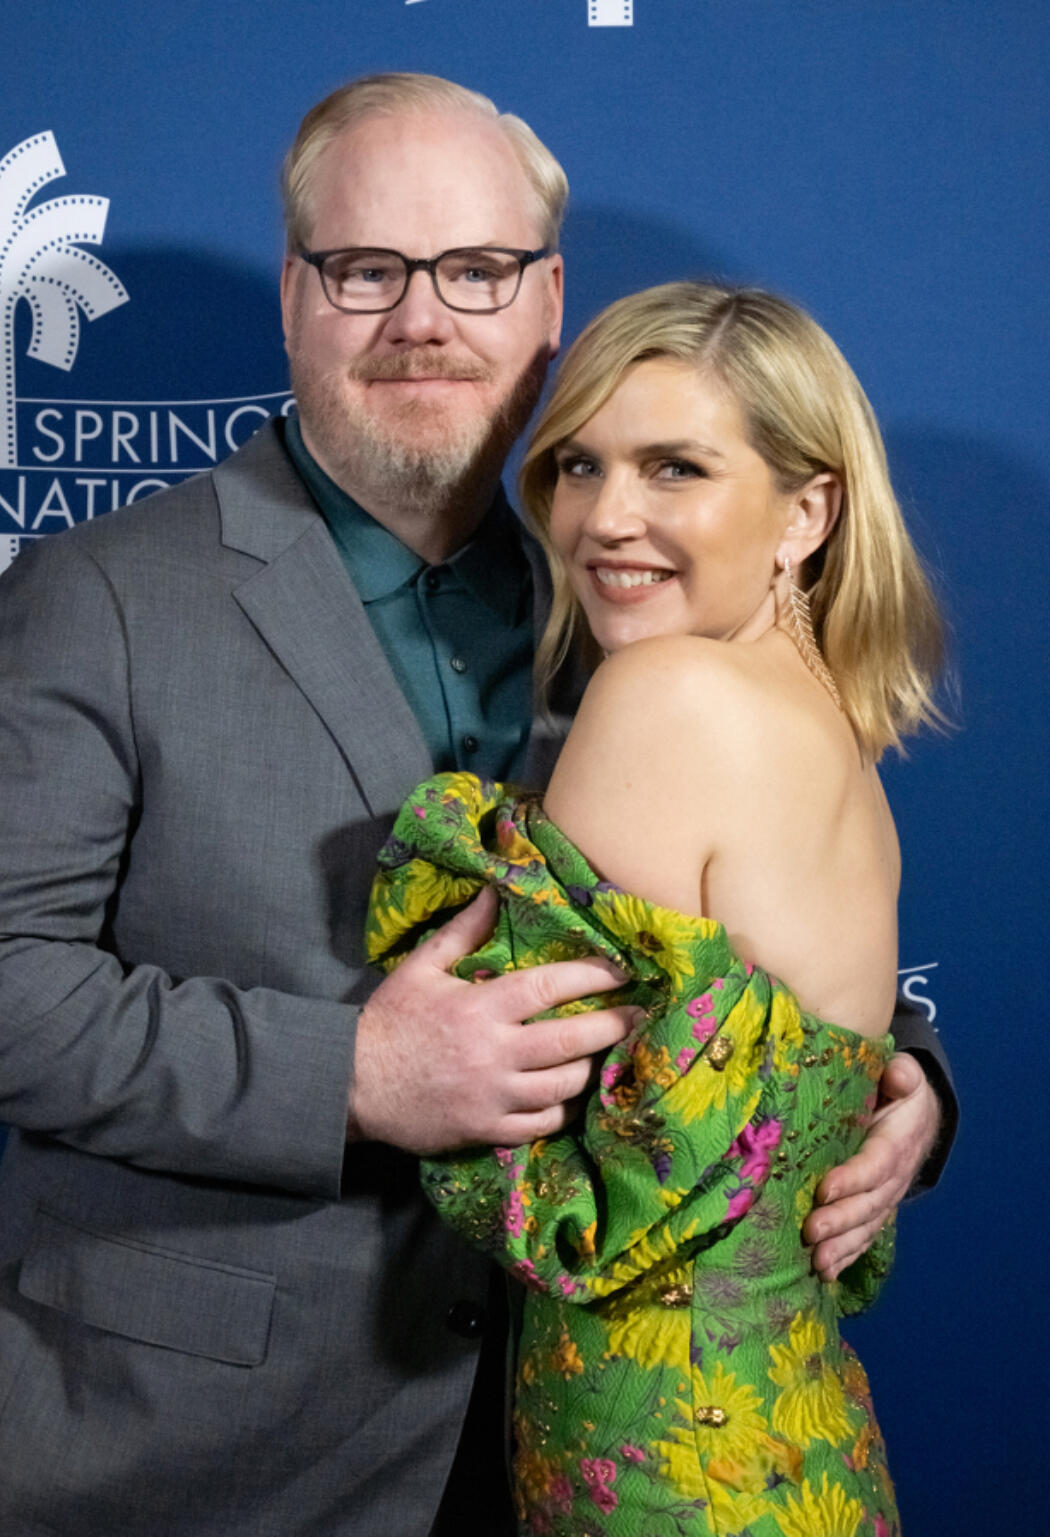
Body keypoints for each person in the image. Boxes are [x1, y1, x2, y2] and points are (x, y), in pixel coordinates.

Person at [0, 76, 951, 1536]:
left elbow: (733, 947)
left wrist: (905, 1092)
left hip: (552, 1442)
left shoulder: (628, 608)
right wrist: (348, 1076)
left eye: (476, 271)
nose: (421, 319)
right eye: (365, 269)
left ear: (546, 298)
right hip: (191, 1461)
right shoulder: (105, 596)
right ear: (294, 296)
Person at [368, 281, 947, 1534]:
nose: (601, 517)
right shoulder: (834, 735)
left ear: (807, 510)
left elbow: (525, 1134)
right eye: (578, 464)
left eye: (673, 467)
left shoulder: (665, 697)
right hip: (793, 1442)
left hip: (660, 1475)